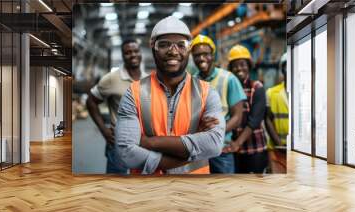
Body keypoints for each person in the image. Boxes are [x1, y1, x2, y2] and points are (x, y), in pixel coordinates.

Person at [114, 16, 225, 174]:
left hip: (194, 190)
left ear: (188, 50)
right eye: (164, 45)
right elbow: (126, 153)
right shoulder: (134, 93)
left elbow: (214, 144)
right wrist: (193, 150)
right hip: (147, 192)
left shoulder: (207, 93)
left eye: (181, 45)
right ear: (153, 48)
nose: (173, 51)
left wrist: (150, 142)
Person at [86, 39, 148, 174]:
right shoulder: (111, 79)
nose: (133, 55)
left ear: (140, 53)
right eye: (128, 52)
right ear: (122, 56)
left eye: (136, 51)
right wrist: (104, 130)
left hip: (144, 142)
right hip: (119, 143)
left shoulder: (148, 80)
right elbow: (91, 101)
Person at [190, 34, 245, 174]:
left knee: (224, 191)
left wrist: (215, 133)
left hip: (221, 150)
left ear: (212, 55)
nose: (201, 58)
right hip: (198, 151)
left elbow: (237, 117)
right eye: (197, 55)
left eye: (205, 54)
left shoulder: (229, 79)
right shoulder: (190, 82)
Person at [224, 45, 268, 174]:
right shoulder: (228, 88)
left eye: (242, 64)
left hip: (255, 150)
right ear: (230, 69)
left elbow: (255, 120)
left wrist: (238, 142)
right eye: (235, 66)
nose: (239, 68)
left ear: (249, 66)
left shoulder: (256, 87)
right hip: (234, 150)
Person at [265, 53, 288, 173]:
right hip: (277, 149)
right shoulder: (271, 93)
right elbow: (267, 119)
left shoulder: (308, 93)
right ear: (282, 69)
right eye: (287, 66)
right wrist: (279, 144)